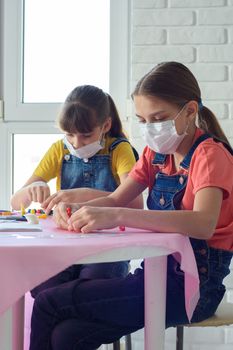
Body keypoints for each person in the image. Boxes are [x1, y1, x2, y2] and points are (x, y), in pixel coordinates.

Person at [29, 62, 233, 350]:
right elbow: (115, 199)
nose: (150, 129)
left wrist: (119, 216)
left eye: (158, 118)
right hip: (154, 275)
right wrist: (74, 210)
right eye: (142, 120)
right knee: (67, 335)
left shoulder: (210, 156)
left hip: (193, 290)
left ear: (190, 111)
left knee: (50, 302)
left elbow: (203, 223)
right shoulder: (155, 154)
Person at [11, 85, 143, 296]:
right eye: (69, 135)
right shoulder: (59, 150)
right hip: (64, 244)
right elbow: (16, 203)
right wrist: (32, 189)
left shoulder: (120, 149)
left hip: (108, 246)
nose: (76, 143)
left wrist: (83, 194)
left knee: (95, 282)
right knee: (42, 285)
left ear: (106, 125)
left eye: (86, 136)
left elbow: (136, 203)